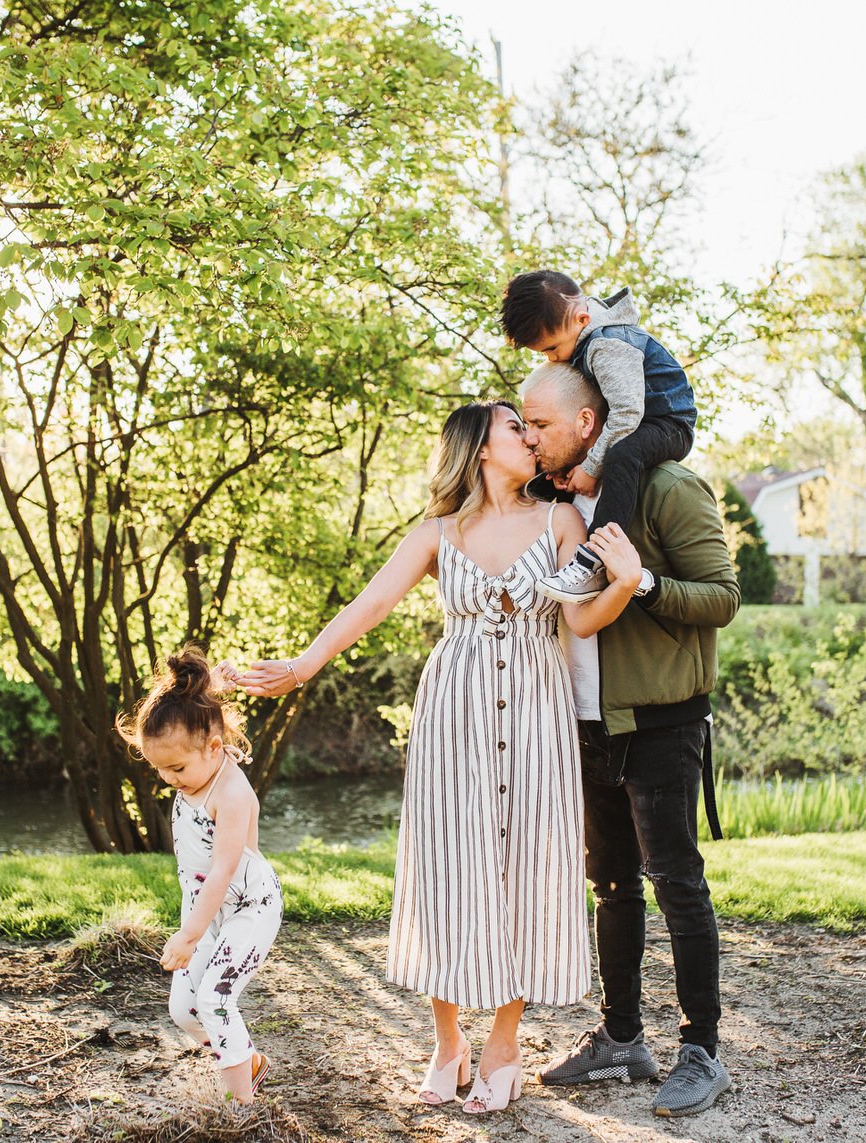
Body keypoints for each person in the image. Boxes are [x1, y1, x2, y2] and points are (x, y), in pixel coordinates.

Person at [237, 400, 642, 1114]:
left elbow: (580, 619)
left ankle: (504, 1044)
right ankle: (448, 1043)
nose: (531, 437)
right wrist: (301, 667)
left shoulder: (560, 522)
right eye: (516, 427)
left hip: (536, 711)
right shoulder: (436, 533)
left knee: (526, 865)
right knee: (447, 867)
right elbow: (369, 605)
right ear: (479, 448)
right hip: (453, 713)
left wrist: (624, 583)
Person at [518, 361, 741, 1119]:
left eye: (540, 424)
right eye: (523, 425)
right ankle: (621, 1039)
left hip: (660, 721)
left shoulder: (669, 487)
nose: (529, 437)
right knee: (610, 885)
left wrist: (641, 581)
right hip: (583, 723)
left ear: (588, 423)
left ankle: (701, 1052)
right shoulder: (551, 501)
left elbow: (723, 597)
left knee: (676, 882)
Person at [116, 648, 283, 1105]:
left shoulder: (231, 793)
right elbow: (195, 700)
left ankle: (241, 1108)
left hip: (249, 906)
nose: (169, 778)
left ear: (213, 748)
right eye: (159, 769)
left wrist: (188, 936)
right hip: (204, 908)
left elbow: (223, 870)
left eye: (176, 768)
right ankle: (247, 1061)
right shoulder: (196, 765)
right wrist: (214, 683)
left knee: (215, 999)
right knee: (185, 1011)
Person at [500, 270, 697, 606]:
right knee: (563, 457)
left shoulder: (606, 345)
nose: (552, 358)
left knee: (622, 454)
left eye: (552, 348)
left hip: (668, 423)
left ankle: (591, 561)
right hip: (636, 422)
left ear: (582, 318)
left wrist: (591, 469)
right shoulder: (583, 332)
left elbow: (627, 414)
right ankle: (539, 509)